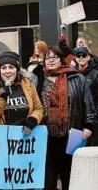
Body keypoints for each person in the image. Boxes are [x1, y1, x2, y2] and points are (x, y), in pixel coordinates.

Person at [32, 46, 96, 190]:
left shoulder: (76, 77)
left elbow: (88, 103)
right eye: (48, 58)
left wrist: (89, 125)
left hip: (72, 134)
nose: (51, 60)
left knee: (70, 178)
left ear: (61, 60)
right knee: (48, 181)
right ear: (44, 61)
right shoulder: (38, 78)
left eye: (55, 57)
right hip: (46, 136)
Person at [0, 51, 43, 134]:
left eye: (11, 67)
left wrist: (32, 120)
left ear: (17, 70)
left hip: (23, 139)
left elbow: (38, 108)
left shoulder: (28, 85)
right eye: (3, 68)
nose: (7, 71)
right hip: (0, 139)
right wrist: (2, 99)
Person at [74, 47, 98, 146]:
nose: (81, 58)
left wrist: (95, 117)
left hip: (93, 119)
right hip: (76, 120)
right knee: (75, 150)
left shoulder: (95, 74)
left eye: (84, 55)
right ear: (75, 58)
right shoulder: (72, 74)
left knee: (92, 150)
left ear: (88, 57)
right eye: (78, 56)